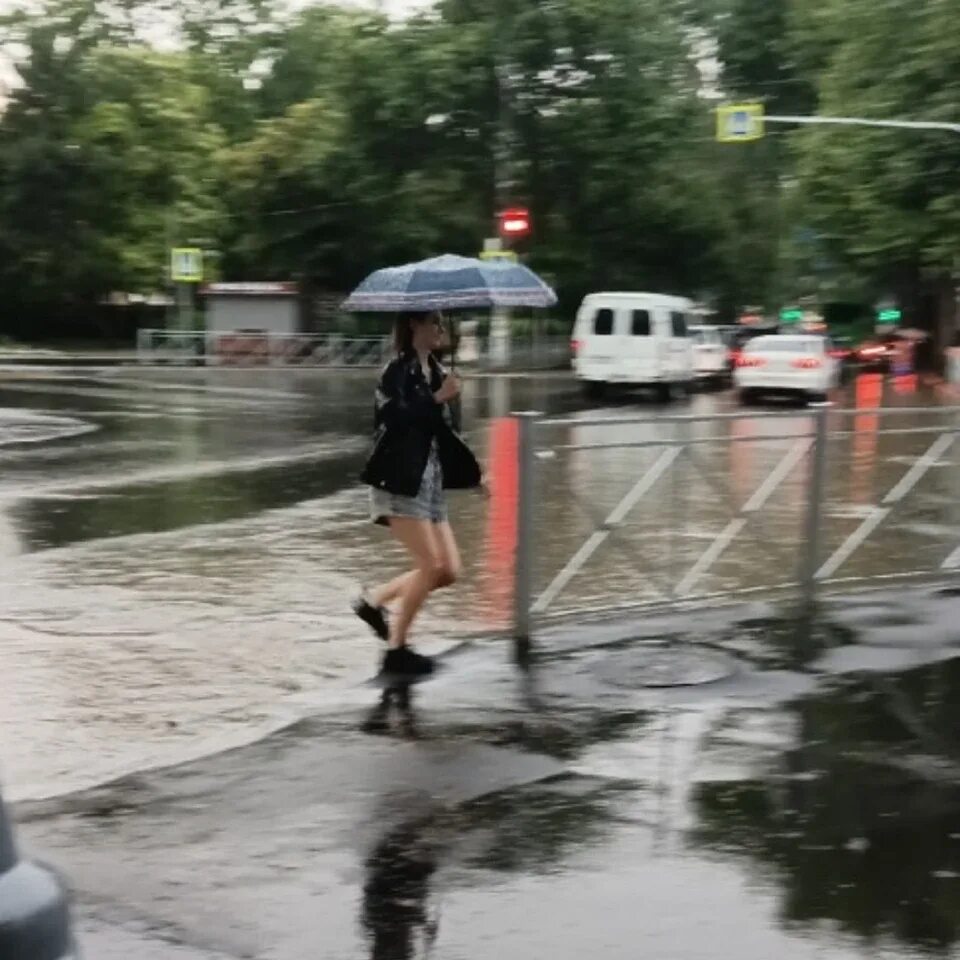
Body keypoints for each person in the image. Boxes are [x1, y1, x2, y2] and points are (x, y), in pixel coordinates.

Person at [354, 311, 482, 678]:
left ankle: (373, 600)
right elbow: (391, 419)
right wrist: (437, 398)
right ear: (415, 325)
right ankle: (396, 651)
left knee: (449, 571)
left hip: (429, 483)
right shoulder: (396, 371)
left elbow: (445, 437)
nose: (442, 330)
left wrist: (474, 476)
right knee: (429, 566)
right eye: (435, 324)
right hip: (399, 480)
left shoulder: (439, 373)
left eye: (443, 325)